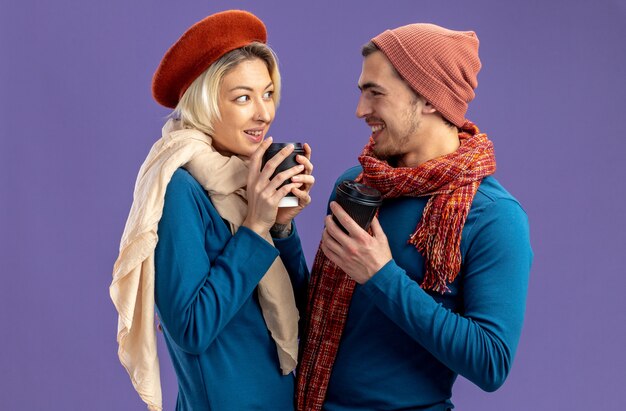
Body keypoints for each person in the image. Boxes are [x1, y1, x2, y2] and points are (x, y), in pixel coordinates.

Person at [296, 23, 532, 411]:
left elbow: (491, 362)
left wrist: (381, 276)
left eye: (376, 94)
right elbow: (316, 316)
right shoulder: (358, 184)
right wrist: (279, 225)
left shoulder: (494, 217)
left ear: (429, 99)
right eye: (361, 93)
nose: (360, 111)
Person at [110, 10, 314, 411]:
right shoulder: (178, 189)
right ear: (204, 105)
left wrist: (281, 228)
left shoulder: (242, 183)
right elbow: (190, 328)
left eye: (268, 93)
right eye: (243, 97)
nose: (264, 113)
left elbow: (301, 311)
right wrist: (256, 227)